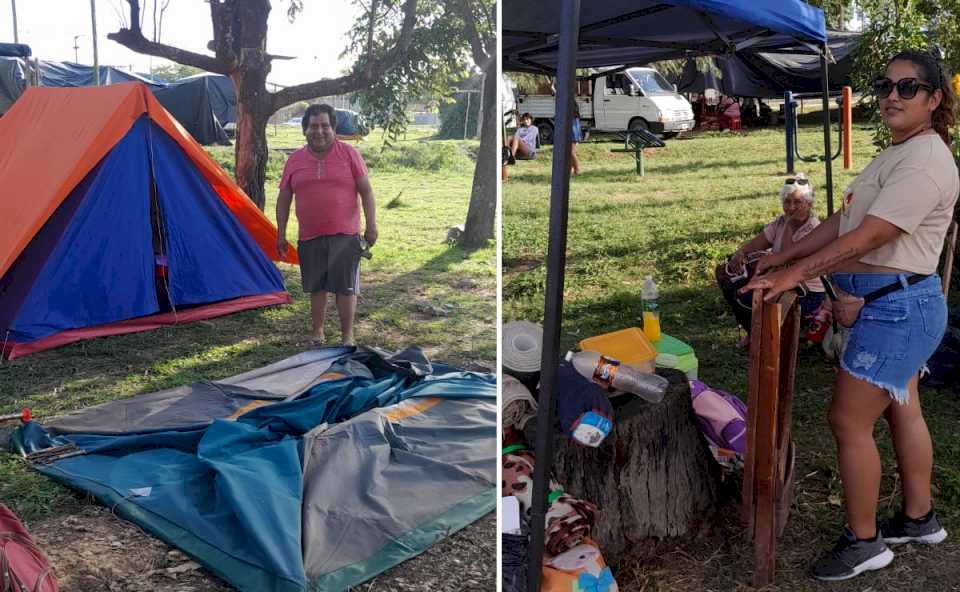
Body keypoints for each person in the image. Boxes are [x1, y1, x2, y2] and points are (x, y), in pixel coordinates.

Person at [744, 50, 958, 581]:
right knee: (901, 408)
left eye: (908, 88)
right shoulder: (899, 153)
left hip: (899, 309)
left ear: (934, 99)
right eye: (886, 86)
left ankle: (865, 542)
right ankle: (918, 519)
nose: (892, 95)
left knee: (847, 419)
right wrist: (785, 254)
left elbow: (870, 237)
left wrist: (793, 276)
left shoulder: (927, 161)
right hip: (898, 302)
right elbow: (844, 221)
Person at [276, 104, 377, 347]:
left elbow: (366, 191)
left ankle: (347, 336)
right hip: (309, 235)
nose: (318, 131)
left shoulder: (349, 154)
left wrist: (371, 224)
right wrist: (280, 233)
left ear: (334, 128)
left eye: (324, 126)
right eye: (313, 126)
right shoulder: (294, 160)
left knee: (345, 288)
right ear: (305, 130)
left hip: (345, 234)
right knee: (317, 286)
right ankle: (318, 332)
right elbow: (284, 198)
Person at [718, 173, 825, 346]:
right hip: (780, 279)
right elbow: (758, 243)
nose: (791, 207)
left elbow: (787, 256)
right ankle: (755, 333)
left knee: (745, 298)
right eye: (787, 201)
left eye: (798, 202)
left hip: (806, 291)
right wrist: (740, 253)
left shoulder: (813, 229)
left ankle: (765, 338)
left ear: (809, 204)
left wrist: (790, 226)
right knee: (729, 280)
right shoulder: (781, 222)